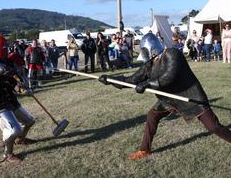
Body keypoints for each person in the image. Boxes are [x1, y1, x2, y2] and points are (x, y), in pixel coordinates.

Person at [99, 33, 231, 160]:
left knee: (214, 127)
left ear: (153, 48)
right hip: (169, 99)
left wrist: (147, 84)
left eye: (146, 50)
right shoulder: (149, 65)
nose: (146, 55)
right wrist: (111, 80)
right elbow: (132, 80)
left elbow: (169, 76)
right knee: (152, 115)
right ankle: (144, 150)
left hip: (190, 96)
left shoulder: (173, 53)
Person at [0, 34, 36, 163]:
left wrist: (22, 89)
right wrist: (9, 71)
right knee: (14, 129)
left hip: (9, 100)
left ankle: (19, 139)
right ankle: (8, 154)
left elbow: (10, 81)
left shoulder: (2, 61)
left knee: (29, 121)